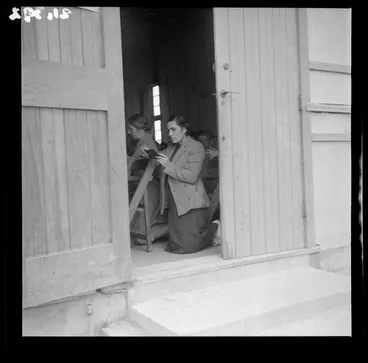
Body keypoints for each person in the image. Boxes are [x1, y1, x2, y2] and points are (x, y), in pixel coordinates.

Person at [153, 115, 219, 254]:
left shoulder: (196, 147)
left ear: (183, 129)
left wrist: (168, 165)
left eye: (173, 129)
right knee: (176, 246)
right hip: (174, 198)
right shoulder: (172, 147)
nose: (170, 134)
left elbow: (191, 176)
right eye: (168, 130)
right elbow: (162, 161)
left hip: (190, 199)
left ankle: (215, 227)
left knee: (188, 247)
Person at [126, 114, 168, 243]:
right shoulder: (141, 143)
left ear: (140, 129)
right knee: (134, 235)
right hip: (144, 186)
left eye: (131, 129)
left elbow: (156, 162)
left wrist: (136, 160)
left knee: (140, 238)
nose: (128, 132)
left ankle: (172, 228)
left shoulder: (148, 143)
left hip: (150, 187)